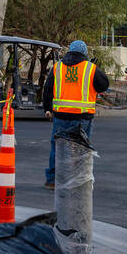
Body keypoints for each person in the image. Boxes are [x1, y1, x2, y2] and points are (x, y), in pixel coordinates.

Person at [42, 40, 108, 190]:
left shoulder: (57, 67)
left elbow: (47, 89)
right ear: (84, 53)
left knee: (58, 149)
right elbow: (103, 85)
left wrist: (47, 108)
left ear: (69, 52)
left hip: (60, 116)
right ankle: (77, 180)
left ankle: (52, 180)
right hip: (82, 118)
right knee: (81, 150)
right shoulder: (90, 68)